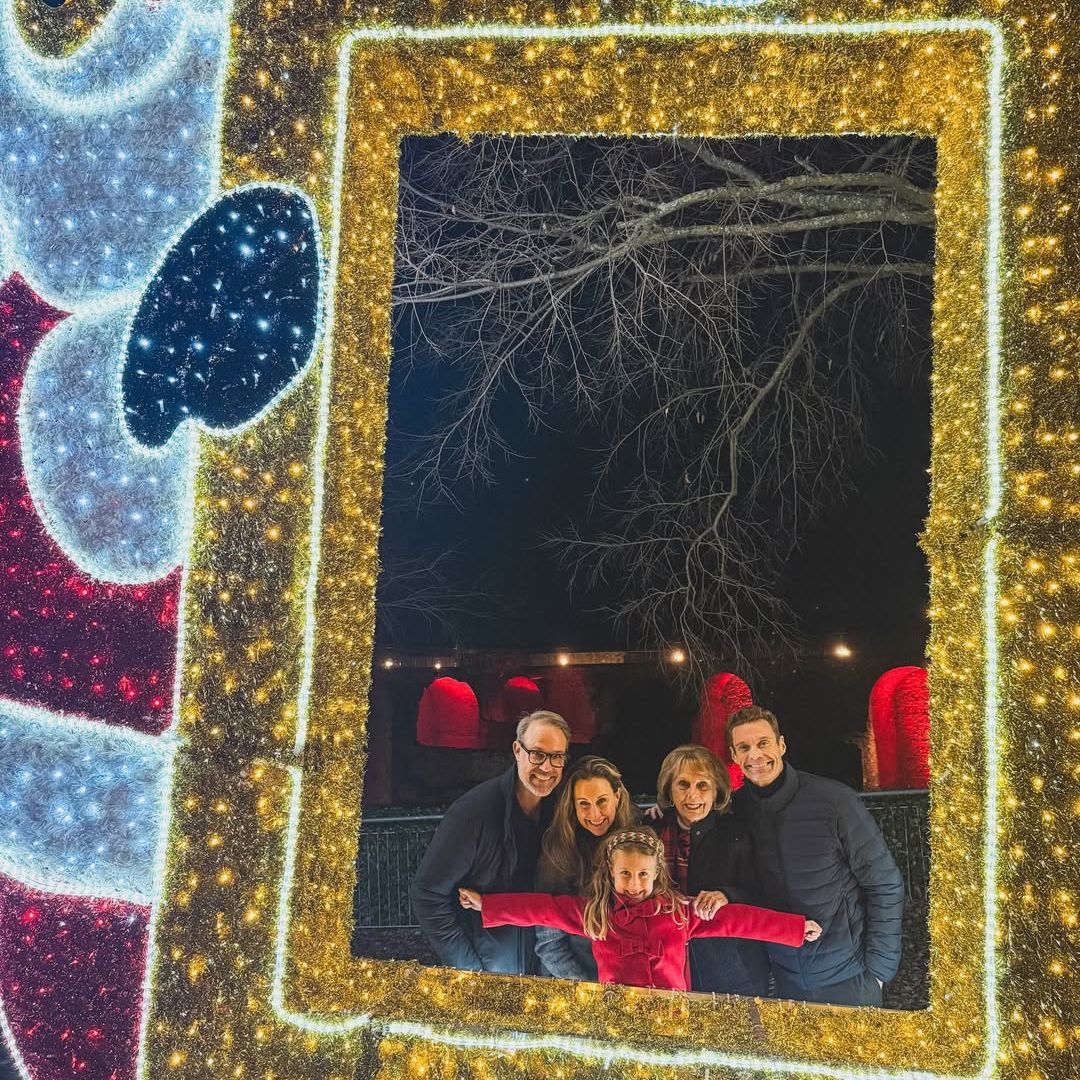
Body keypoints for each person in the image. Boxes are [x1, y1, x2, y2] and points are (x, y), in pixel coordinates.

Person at [459, 827, 821, 992]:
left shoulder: (680, 912)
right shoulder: (595, 914)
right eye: (626, 874)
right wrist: (487, 904)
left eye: (643, 875)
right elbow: (542, 910)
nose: (635, 883)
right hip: (618, 1019)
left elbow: (739, 920)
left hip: (674, 1019)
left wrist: (793, 928)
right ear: (612, 873)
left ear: (657, 874)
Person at [727, 705, 904, 1006]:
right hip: (785, 983)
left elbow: (884, 883)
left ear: (781, 745)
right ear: (734, 756)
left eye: (763, 743)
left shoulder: (833, 802)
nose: (755, 755)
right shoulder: (737, 809)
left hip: (849, 980)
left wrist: (879, 971)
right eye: (744, 747)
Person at [410, 709, 571, 973]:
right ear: (517, 751)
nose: (546, 767)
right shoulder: (474, 812)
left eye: (556, 757)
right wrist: (470, 970)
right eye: (537, 754)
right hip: (492, 970)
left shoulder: (561, 811)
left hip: (547, 969)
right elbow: (427, 893)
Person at [654, 745, 771, 996]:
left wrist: (726, 895)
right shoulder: (652, 832)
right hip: (665, 966)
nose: (692, 795)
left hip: (730, 971)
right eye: (683, 785)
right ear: (669, 790)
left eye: (702, 785)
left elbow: (763, 894)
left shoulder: (737, 833)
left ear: (716, 789)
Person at [534, 755, 638, 980]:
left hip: (626, 983)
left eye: (602, 801)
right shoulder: (558, 853)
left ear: (617, 796)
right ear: (572, 805)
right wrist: (590, 991)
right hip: (574, 981)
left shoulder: (637, 844)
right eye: (584, 804)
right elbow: (549, 944)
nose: (595, 814)